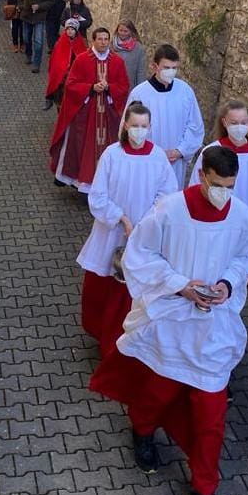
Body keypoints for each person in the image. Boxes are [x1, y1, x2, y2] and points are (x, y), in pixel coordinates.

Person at [90, 145, 248, 495]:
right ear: (202, 175)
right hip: (173, 318)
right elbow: (140, 254)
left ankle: (204, 489)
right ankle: (142, 430)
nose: (224, 193)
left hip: (212, 327)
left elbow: (247, 258)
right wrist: (179, 285)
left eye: (231, 186)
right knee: (158, 392)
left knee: (211, 415)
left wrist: (226, 284)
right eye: (218, 184)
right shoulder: (169, 209)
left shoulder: (239, 215)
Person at [77, 101, 177, 355]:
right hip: (111, 233)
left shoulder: (158, 157)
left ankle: (127, 342)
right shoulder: (112, 154)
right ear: (125, 125)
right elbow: (98, 196)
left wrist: (145, 224)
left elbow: (167, 196)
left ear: (149, 127)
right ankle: (102, 335)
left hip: (144, 236)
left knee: (132, 293)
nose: (139, 131)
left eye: (144, 126)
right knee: (105, 289)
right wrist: (122, 219)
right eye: (135, 126)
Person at [49, 27, 130, 192]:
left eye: (106, 39)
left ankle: (103, 184)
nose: (103, 42)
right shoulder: (81, 59)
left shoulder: (117, 61)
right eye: (99, 39)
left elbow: (124, 86)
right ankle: (78, 181)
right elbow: (71, 85)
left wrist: (109, 88)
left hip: (108, 114)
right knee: (80, 147)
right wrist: (91, 88)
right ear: (93, 40)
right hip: (85, 113)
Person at [189, 99, 248, 232]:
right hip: (212, 224)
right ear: (224, 122)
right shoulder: (210, 152)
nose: (239, 127)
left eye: (243, 123)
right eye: (234, 123)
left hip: (247, 226)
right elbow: (196, 186)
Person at [125, 44, 204, 187]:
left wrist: (180, 150)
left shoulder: (185, 91)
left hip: (175, 160)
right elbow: (129, 128)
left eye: (174, 68)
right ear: (155, 67)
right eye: (167, 68)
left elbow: (195, 126)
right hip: (147, 159)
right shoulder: (140, 94)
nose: (171, 72)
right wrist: (153, 152)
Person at [18, 0, 55, 73]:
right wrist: (21, 6)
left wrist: (39, 6)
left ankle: (36, 63)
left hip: (39, 17)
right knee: (26, 38)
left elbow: (51, 0)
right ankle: (28, 55)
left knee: (38, 42)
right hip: (26, 15)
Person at [44, 18, 87, 109]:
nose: (70, 31)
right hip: (62, 75)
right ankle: (50, 99)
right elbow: (55, 59)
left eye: (72, 29)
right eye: (68, 29)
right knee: (58, 93)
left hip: (74, 74)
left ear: (76, 30)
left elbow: (83, 59)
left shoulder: (81, 42)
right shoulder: (60, 42)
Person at [111, 19, 146, 88]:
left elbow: (140, 71)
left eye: (125, 31)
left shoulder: (139, 48)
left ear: (131, 31)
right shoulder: (110, 46)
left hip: (130, 84)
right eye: (120, 30)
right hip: (112, 84)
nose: (122, 33)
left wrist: (140, 89)